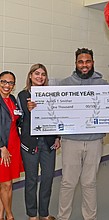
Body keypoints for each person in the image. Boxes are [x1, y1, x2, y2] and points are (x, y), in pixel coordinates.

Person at [57, 48, 108, 220]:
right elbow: (55, 110)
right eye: (81, 61)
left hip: (95, 141)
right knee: (67, 182)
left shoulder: (103, 85)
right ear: (76, 63)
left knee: (89, 183)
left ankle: (90, 217)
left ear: (93, 62)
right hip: (71, 141)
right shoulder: (64, 84)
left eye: (87, 61)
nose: (84, 65)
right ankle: (63, 217)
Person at [17, 64, 61, 220]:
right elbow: (21, 121)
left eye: (43, 74)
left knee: (48, 178)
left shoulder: (51, 94)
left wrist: (57, 137)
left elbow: (56, 116)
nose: (40, 77)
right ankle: (32, 214)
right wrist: (28, 109)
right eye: (37, 73)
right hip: (30, 144)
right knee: (31, 179)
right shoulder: (23, 95)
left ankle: (44, 213)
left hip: (48, 143)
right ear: (30, 75)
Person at [0, 71, 23, 220]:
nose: (7, 85)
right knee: (6, 184)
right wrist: (2, 147)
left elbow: (17, 120)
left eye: (10, 83)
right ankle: (9, 215)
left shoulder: (13, 99)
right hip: (3, 148)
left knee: (5, 184)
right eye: (3, 82)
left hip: (14, 144)